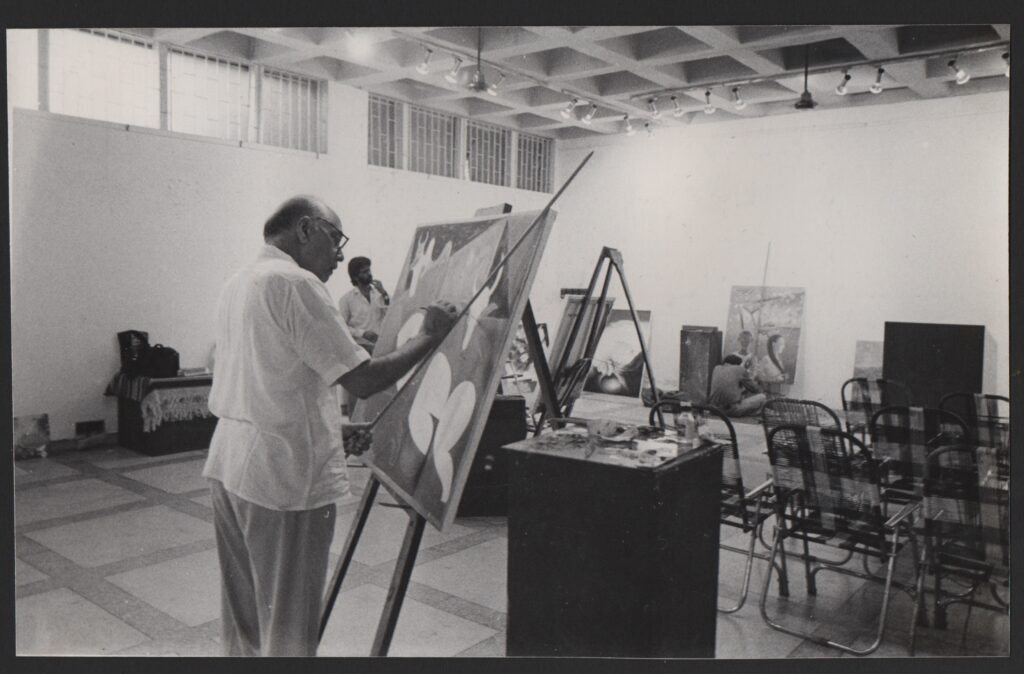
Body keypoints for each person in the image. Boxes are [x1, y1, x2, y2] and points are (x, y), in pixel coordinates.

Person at [202, 195, 458, 657]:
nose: (341, 255)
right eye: (335, 239)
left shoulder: (240, 280)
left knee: (244, 619)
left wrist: (329, 429)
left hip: (231, 464)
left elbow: (268, 380)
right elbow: (362, 380)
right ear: (305, 229)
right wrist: (430, 336)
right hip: (281, 479)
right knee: (288, 624)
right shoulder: (293, 282)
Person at [338, 256, 389, 354]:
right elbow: (342, 327)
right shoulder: (346, 299)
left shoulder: (380, 294)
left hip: (383, 345)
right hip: (362, 349)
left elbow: (392, 315)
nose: (369, 274)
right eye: (364, 272)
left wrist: (384, 294)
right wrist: (363, 333)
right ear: (355, 277)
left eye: (369, 270)